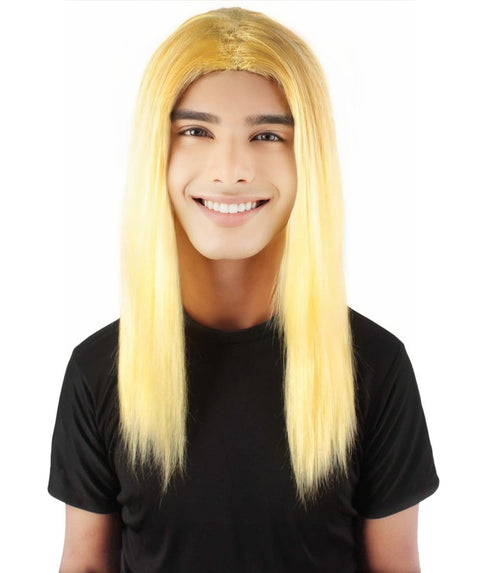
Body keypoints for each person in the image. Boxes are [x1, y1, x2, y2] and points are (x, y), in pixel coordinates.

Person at [48, 7, 439, 572]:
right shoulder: (99, 371)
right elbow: (85, 564)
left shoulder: (375, 367)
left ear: (308, 158)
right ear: (157, 151)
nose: (230, 170)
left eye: (267, 135)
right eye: (195, 131)